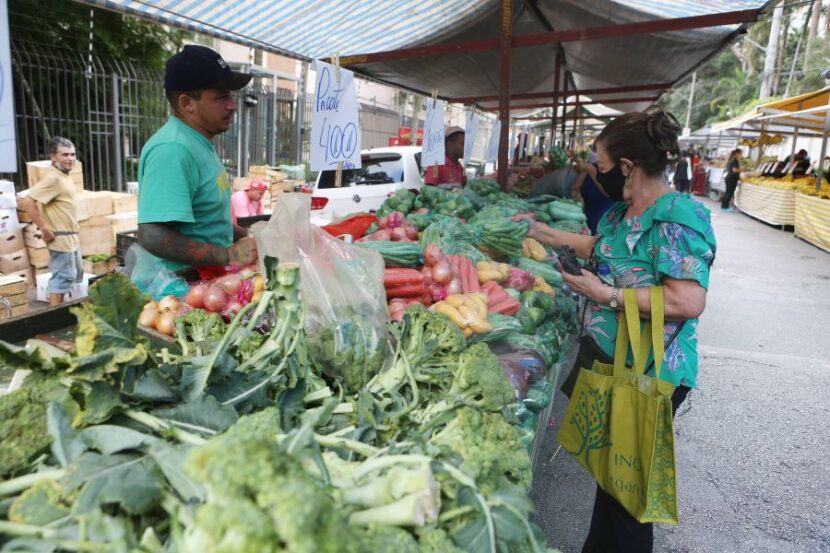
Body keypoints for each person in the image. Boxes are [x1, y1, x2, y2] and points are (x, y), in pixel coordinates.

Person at [527, 106, 716, 553]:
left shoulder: (675, 217)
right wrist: (548, 234)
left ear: (627, 167)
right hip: (614, 361)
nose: (596, 171)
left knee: (627, 495)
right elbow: (603, 246)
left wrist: (604, 294)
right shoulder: (623, 213)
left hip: (650, 371)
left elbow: (687, 300)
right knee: (611, 477)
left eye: (601, 163)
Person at [137, 45, 258, 272]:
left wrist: (252, 236)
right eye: (221, 97)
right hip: (173, 293)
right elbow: (151, 235)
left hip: (202, 283)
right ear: (187, 103)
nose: (232, 105)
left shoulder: (198, 143)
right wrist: (228, 254)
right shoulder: (172, 149)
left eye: (230, 95)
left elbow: (206, 219)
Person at [19, 137, 83, 306]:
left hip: (71, 238)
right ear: (53, 157)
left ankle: (64, 311)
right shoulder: (53, 178)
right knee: (63, 278)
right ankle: (53, 316)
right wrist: (44, 227)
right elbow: (27, 201)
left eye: (72, 154)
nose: (70, 158)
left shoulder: (64, 176)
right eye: (65, 155)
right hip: (61, 239)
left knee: (73, 275)